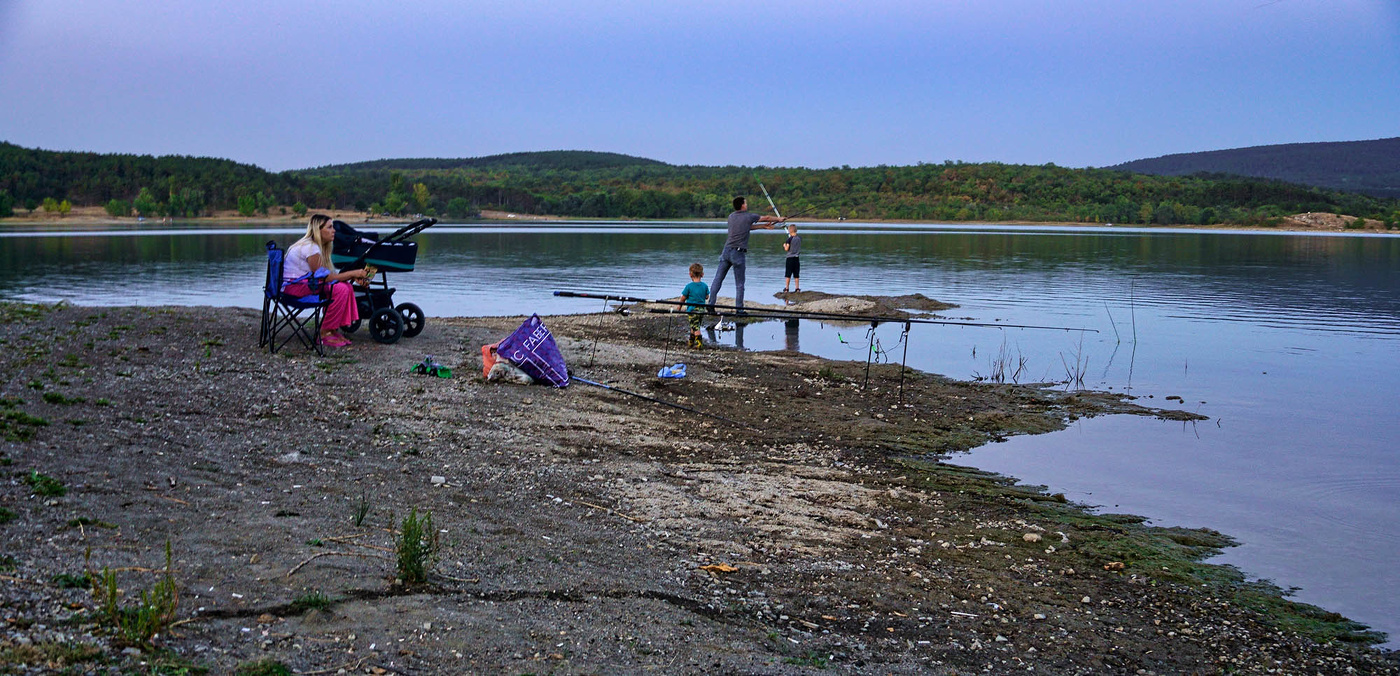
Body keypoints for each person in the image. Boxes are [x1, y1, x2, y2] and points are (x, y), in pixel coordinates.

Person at [283, 214, 368, 347]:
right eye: (329, 227)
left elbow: (326, 276)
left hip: (300, 285)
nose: (334, 230)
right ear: (318, 230)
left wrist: (350, 277)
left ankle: (332, 329)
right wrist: (353, 273)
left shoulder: (313, 246)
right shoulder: (310, 248)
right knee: (340, 289)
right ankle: (324, 333)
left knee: (345, 286)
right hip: (295, 288)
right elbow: (325, 278)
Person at [708, 196, 784, 314]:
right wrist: (779, 219)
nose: (747, 204)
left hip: (726, 250)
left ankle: (710, 304)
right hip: (738, 253)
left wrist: (763, 226)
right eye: (746, 203)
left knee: (718, 279)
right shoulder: (749, 216)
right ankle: (739, 309)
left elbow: (746, 227)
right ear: (742, 205)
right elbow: (767, 218)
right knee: (740, 284)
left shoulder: (731, 216)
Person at [676, 262, 709, 348]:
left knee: (695, 327)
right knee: (695, 325)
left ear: (690, 275)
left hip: (692, 310)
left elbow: (683, 298)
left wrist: (679, 306)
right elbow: (707, 297)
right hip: (702, 310)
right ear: (702, 274)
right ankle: (691, 341)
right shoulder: (705, 286)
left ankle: (699, 344)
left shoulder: (689, 286)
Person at [782, 222, 802, 293]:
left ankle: (787, 288)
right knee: (796, 274)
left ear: (790, 231)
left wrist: (784, 245)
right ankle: (797, 288)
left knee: (788, 274)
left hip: (790, 258)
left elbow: (786, 249)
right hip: (797, 258)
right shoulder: (799, 238)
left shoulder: (789, 239)